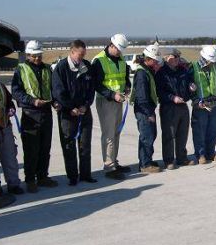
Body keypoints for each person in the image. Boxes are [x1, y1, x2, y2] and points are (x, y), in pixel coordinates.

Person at [12, 40, 58, 193]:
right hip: (30, 114)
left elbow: (52, 88)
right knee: (31, 149)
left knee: (45, 148)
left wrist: (55, 103)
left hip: (46, 112)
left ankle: (43, 176)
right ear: (28, 55)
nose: (38, 59)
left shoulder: (46, 69)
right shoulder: (21, 70)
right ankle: (30, 179)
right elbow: (16, 92)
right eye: (34, 56)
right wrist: (32, 101)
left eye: (39, 55)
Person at [52, 40, 97, 186]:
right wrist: (71, 107)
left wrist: (86, 105)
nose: (82, 57)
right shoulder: (61, 67)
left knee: (85, 145)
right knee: (69, 145)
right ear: (72, 52)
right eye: (80, 54)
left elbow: (91, 89)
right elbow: (59, 92)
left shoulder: (86, 66)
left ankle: (85, 174)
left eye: (84, 54)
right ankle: (72, 176)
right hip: (68, 114)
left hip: (84, 112)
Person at [92, 33, 131, 180]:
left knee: (116, 133)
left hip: (118, 100)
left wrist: (127, 86)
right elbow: (96, 84)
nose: (120, 52)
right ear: (111, 45)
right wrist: (112, 95)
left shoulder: (120, 59)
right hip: (106, 101)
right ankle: (109, 166)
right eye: (118, 49)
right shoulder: (99, 60)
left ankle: (114, 161)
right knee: (108, 135)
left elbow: (125, 77)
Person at [0, 59, 23, 195]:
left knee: (10, 158)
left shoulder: (0, 86)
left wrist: (11, 109)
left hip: (4, 128)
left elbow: (9, 102)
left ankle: (13, 184)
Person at [156, 48, 194, 169]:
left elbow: (189, 84)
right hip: (169, 107)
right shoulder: (161, 73)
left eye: (178, 57)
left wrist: (191, 88)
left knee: (183, 133)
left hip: (182, 105)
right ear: (167, 58)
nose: (177, 59)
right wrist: (172, 98)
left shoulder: (183, 70)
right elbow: (160, 92)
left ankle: (182, 158)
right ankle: (168, 160)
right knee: (169, 134)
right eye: (174, 57)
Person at [130, 45, 163, 173]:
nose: (155, 62)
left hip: (147, 109)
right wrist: (149, 113)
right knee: (147, 136)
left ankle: (147, 159)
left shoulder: (147, 70)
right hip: (144, 110)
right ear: (148, 59)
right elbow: (142, 96)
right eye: (154, 60)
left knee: (151, 134)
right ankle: (144, 164)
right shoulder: (142, 74)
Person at [189, 46, 216, 164]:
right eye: (210, 61)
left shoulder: (214, 67)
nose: (211, 63)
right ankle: (200, 154)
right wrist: (196, 101)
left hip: (213, 104)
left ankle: (210, 153)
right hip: (200, 106)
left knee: (213, 130)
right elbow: (190, 88)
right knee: (199, 131)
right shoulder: (193, 68)